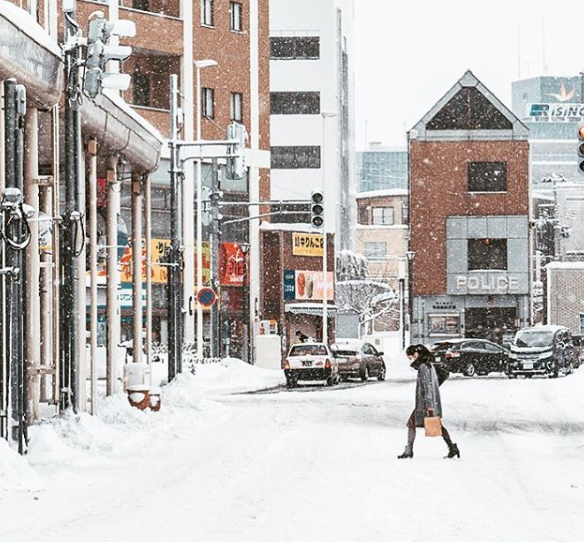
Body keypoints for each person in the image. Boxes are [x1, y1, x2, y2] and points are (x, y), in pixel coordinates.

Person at [398, 344, 460, 459]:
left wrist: (429, 406)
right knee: (436, 425)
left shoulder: (423, 367)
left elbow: (427, 387)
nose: (411, 361)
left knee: (413, 424)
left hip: (425, 404)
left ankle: (409, 450)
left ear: (416, 355)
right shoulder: (428, 365)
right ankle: (452, 447)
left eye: (411, 358)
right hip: (426, 403)